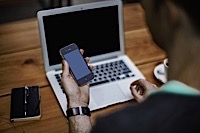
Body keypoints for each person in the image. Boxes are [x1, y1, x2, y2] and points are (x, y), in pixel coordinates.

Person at [61, 0, 200, 132]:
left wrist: (77, 104)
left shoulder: (119, 127)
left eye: (145, 7)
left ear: (169, 14)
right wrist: (158, 99)